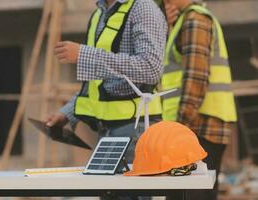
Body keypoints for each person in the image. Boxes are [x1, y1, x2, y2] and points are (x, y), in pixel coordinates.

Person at [47, 0, 166, 170]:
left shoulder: (143, 8)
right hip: (106, 130)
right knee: (109, 194)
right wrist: (67, 113)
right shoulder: (99, 14)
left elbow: (150, 68)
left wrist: (84, 55)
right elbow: (97, 85)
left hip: (135, 128)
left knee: (130, 195)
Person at [160, 0, 237, 199]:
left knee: (188, 194)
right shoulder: (185, 21)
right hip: (197, 125)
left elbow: (196, 77)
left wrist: (180, 128)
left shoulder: (195, 20)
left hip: (197, 126)